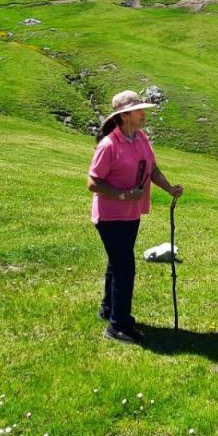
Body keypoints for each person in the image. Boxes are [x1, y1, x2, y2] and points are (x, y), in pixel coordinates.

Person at [88, 90, 184, 344]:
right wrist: (122, 195)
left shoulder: (140, 138)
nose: (144, 114)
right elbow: (93, 182)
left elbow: (151, 168)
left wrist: (169, 188)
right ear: (124, 116)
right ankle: (117, 326)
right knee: (124, 268)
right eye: (139, 110)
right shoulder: (109, 145)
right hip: (110, 217)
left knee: (117, 263)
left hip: (131, 214)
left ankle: (108, 310)